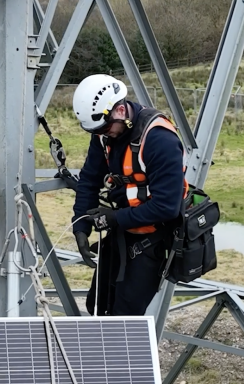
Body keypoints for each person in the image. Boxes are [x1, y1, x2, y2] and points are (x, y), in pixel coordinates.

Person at [69, 74, 185, 317]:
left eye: (105, 128)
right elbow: (89, 180)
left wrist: (115, 218)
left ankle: (125, 343)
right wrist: (80, 227)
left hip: (153, 239)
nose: (102, 134)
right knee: (97, 305)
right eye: (97, 131)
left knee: (125, 317)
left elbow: (167, 207)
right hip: (122, 231)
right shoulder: (104, 134)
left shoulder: (159, 139)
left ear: (120, 110)